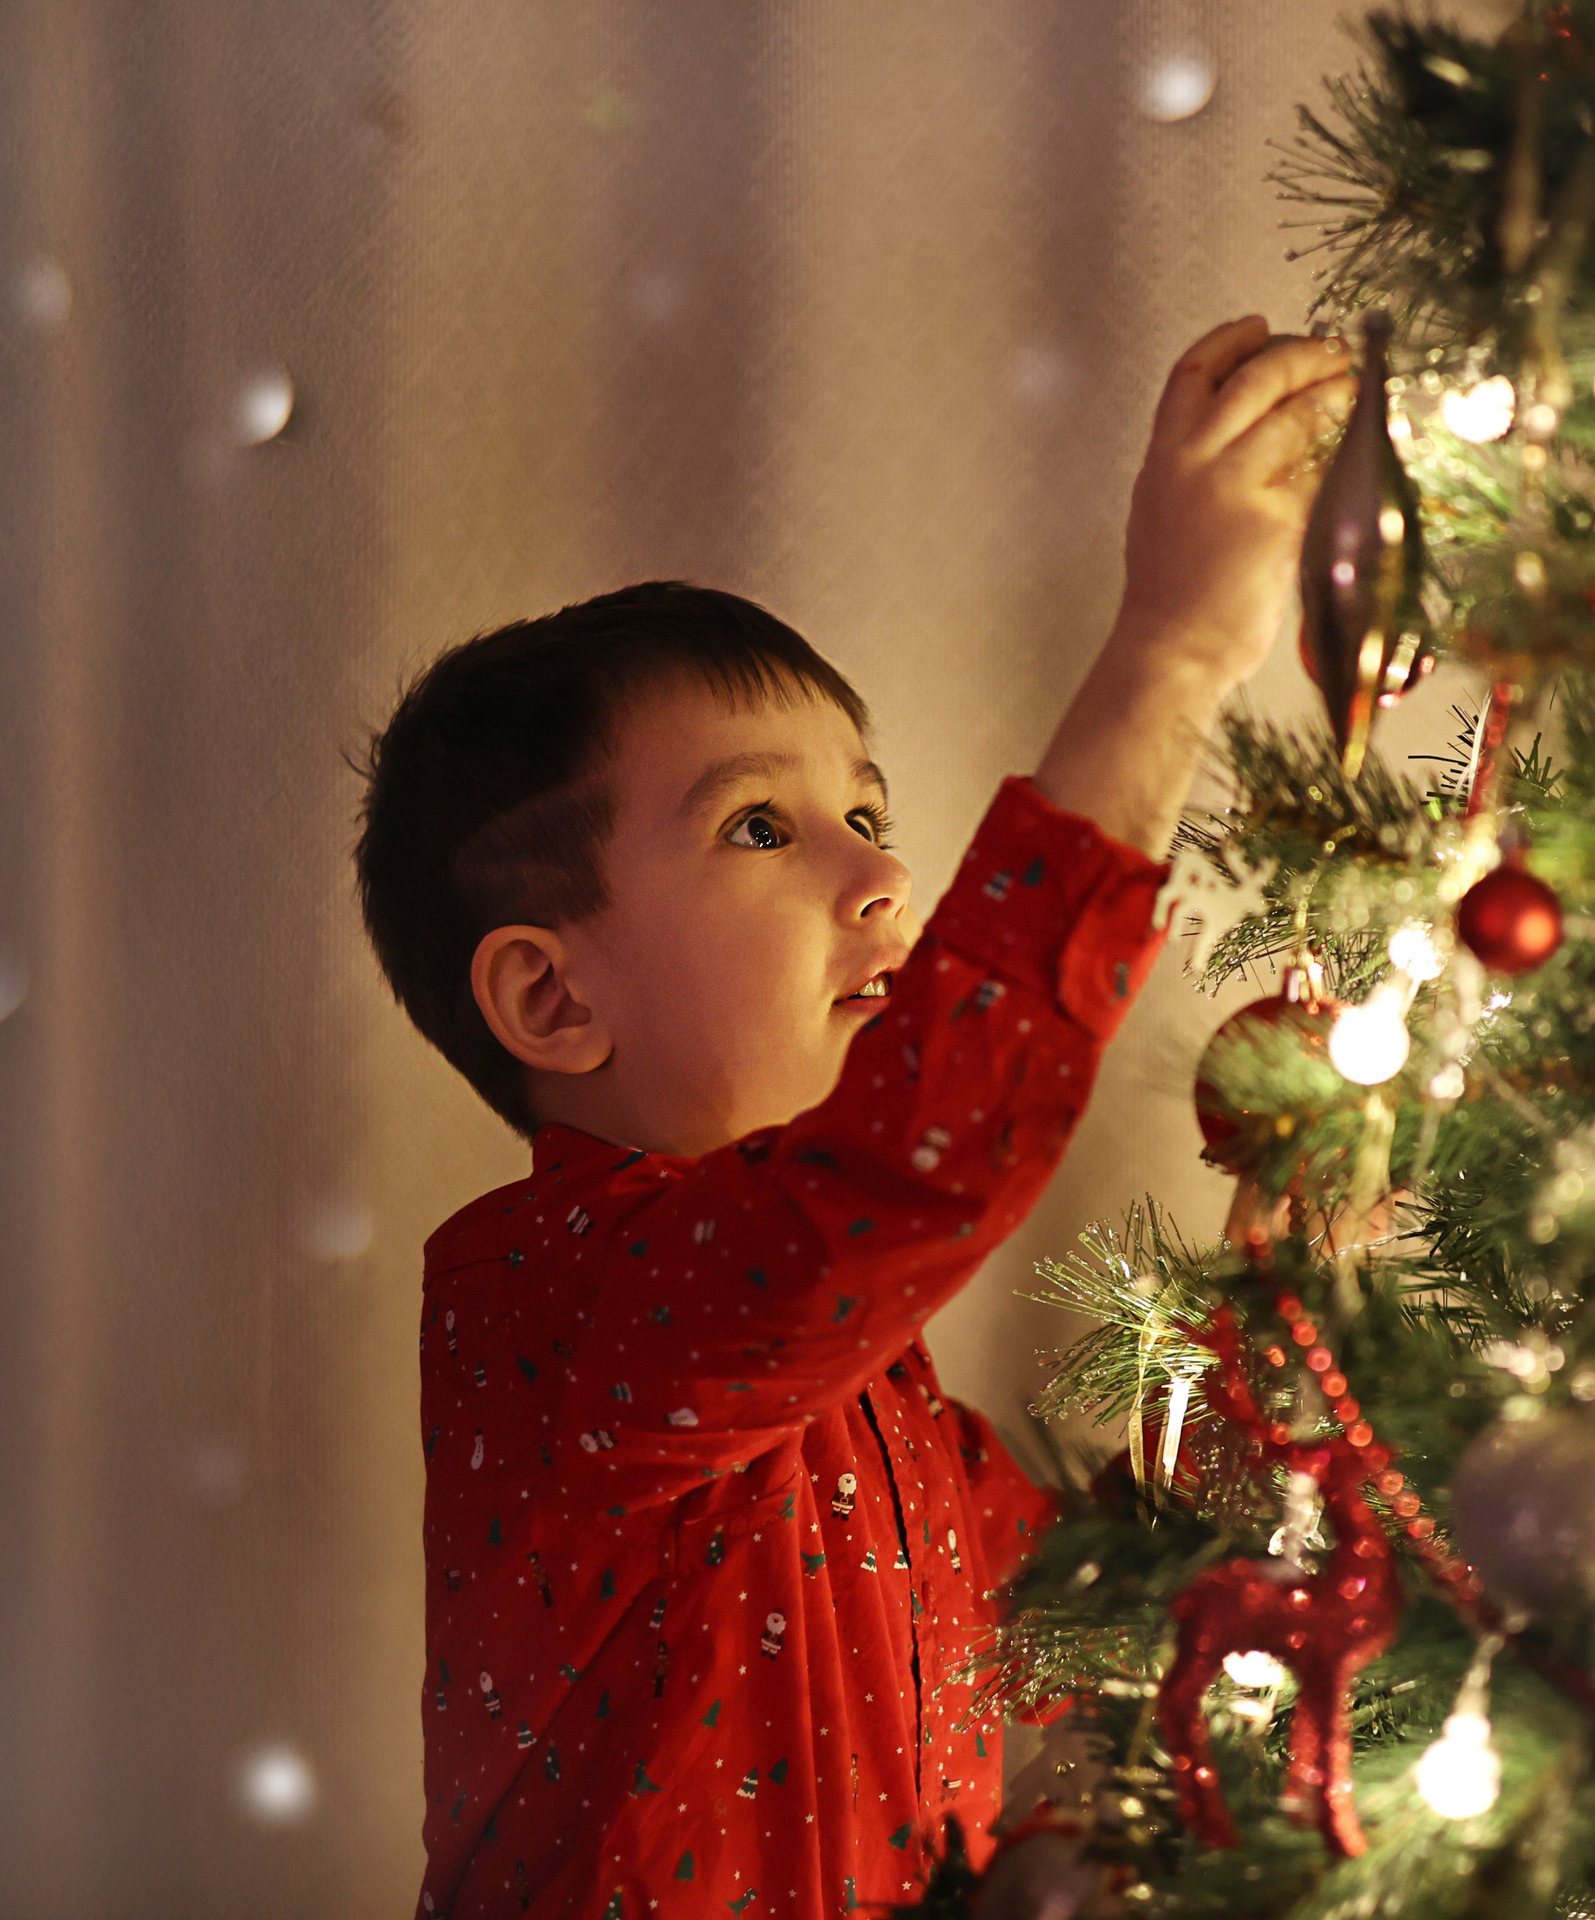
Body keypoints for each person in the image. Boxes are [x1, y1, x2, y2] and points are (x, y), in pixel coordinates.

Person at [353, 317, 1354, 1920]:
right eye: (763, 824)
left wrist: (1279, 1288)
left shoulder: (876, 1404)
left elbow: (1109, 1623)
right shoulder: (554, 1305)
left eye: (868, 812)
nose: (882, 872)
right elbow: (921, 1159)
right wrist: (1166, 656)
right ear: (553, 1002)